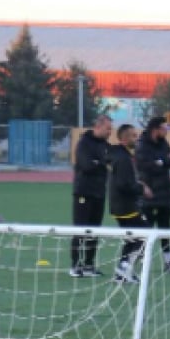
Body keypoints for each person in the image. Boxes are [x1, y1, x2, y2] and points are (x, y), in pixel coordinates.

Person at [107, 124, 153, 284]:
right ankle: (124, 267)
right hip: (126, 206)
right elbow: (123, 185)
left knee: (132, 239)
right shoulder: (123, 158)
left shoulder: (122, 156)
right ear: (125, 139)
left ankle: (123, 272)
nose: (137, 138)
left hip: (121, 205)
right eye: (134, 136)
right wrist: (142, 188)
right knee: (145, 236)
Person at [135, 116, 170, 273]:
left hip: (165, 196)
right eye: (164, 128)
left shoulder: (163, 143)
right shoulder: (142, 145)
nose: (166, 131)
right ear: (156, 129)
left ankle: (168, 261)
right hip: (149, 196)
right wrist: (162, 161)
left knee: (165, 229)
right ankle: (139, 260)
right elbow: (144, 166)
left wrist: (160, 161)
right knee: (145, 230)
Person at [70, 115, 113, 278]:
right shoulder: (84, 144)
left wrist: (99, 163)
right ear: (98, 127)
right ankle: (75, 265)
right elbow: (87, 165)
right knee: (80, 229)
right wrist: (101, 163)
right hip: (83, 192)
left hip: (99, 193)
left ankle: (89, 264)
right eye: (108, 128)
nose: (110, 132)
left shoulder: (106, 146)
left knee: (94, 231)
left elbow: (111, 163)